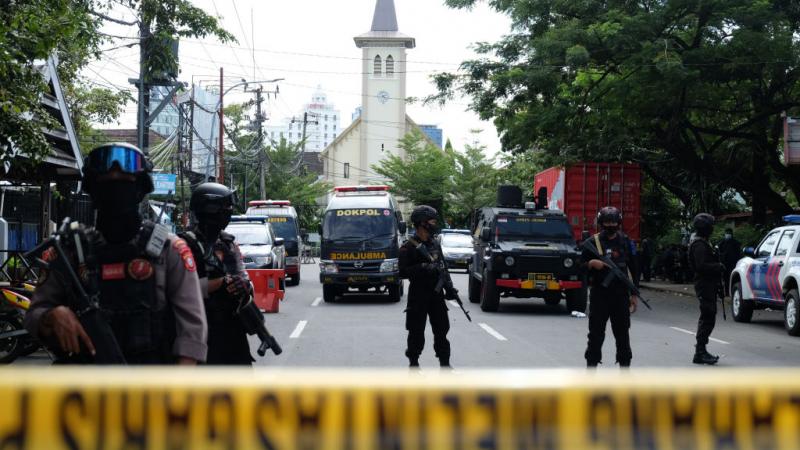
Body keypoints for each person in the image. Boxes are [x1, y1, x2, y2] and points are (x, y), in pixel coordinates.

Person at [25, 143, 207, 364]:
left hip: (151, 388)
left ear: (140, 190)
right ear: (93, 190)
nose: (115, 190)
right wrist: (51, 316)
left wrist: (175, 391)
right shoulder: (70, 250)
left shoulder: (169, 249)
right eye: (106, 182)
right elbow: (34, 315)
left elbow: (192, 328)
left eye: (125, 182)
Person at [181, 182, 254, 365]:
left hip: (231, 332)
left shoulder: (228, 244)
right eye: (225, 208)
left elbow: (244, 278)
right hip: (198, 333)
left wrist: (244, 286)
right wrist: (221, 283)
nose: (228, 213)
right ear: (210, 210)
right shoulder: (183, 246)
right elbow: (182, 292)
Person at [399, 205, 457, 369]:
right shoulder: (408, 247)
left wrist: (450, 288)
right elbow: (402, 272)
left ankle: (445, 365)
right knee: (416, 331)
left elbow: (443, 268)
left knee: (442, 330)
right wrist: (422, 267)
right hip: (418, 295)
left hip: (436, 295)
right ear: (423, 223)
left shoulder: (435, 244)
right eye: (432, 221)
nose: (435, 224)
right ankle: (414, 364)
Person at [583, 206, 639, 368]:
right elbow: (577, 266)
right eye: (607, 222)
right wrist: (591, 264)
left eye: (613, 222)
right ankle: (591, 367)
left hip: (621, 296)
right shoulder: (593, 242)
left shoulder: (627, 242)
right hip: (599, 294)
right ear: (601, 223)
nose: (610, 225)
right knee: (596, 334)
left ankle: (625, 368)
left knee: (622, 334)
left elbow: (635, 269)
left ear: (619, 223)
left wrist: (634, 294)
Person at [688, 213, 724, 365]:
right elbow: (701, 266)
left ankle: (701, 350)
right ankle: (700, 352)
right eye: (710, 226)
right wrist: (719, 267)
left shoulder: (702, 242)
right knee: (707, 317)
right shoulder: (699, 245)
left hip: (708, 285)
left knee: (709, 316)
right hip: (704, 285)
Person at [717, 228, 741, 296]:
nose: (728, 235)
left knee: (732, 278)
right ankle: (727, 292)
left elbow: (738, 254)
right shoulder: (722, 243)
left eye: (729, 233)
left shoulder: (735, 243)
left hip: (733, 264)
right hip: (724, 264)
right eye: (727, 233)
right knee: (725, 279)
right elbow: (719, 253)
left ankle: (732, 292)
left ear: (731, 234)